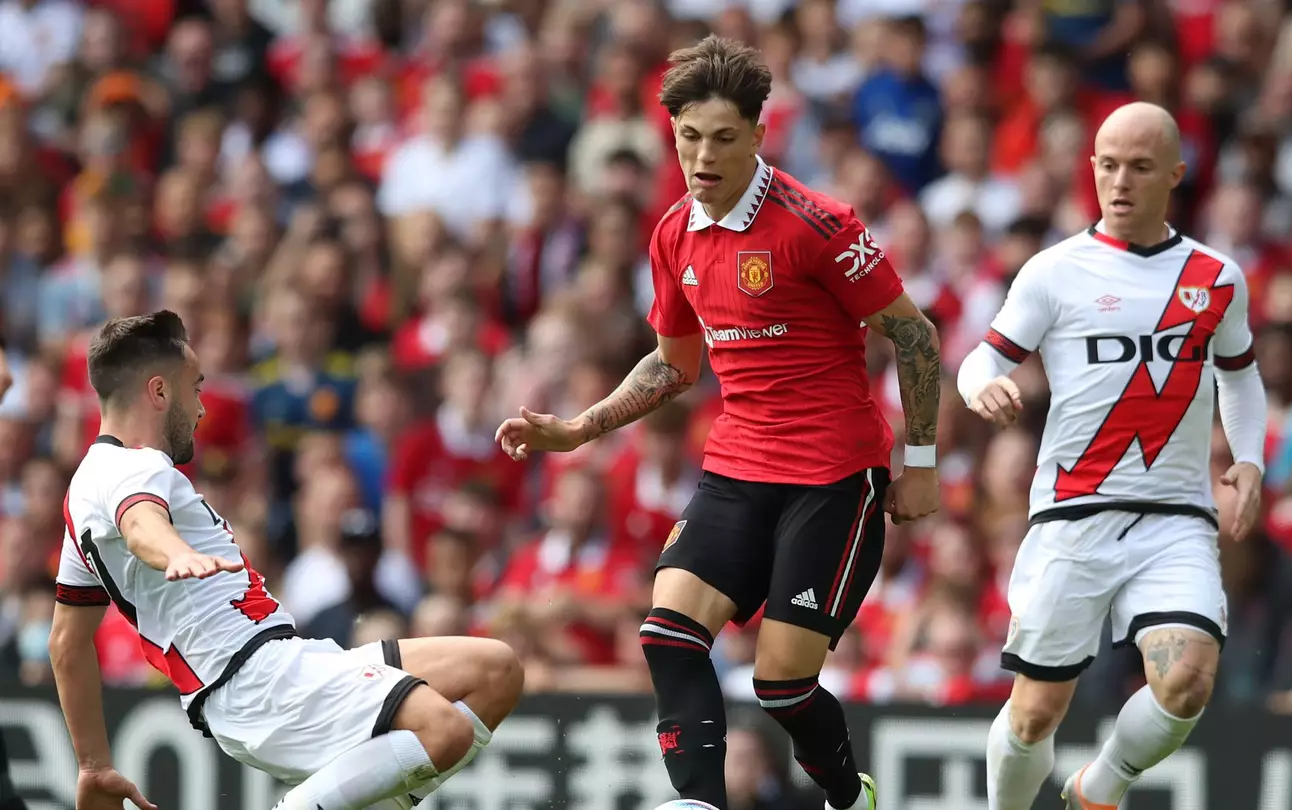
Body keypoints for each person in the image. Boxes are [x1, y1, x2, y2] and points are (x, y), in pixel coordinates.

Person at [496, 35, 942, 810]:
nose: (703, 157)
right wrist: (578, 428)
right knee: (666, 636)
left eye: (723, 139)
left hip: (834, 478)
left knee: (782, 687)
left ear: (759, 136)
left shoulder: (818, 226)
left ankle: (850, 797)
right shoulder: (673, 233)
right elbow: (674, 363)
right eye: (688, 138)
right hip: (737, 466)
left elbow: (915, 334)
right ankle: (700, 805)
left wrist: (924, 462)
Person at [48, 311, 524, 810]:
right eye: (197, 388)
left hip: (284, 665)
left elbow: (66, 644)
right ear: (159, 392)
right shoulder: (133, 468)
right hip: (254, 680)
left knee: (496, 671)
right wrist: (176, 552)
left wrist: (93, 764)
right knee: (441, 728)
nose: (202, 408)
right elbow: (142, 522)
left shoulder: (83, 494)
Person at [956, 102, 1267, 810]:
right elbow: (980, 359)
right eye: (1107, 165)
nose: (1120, 181)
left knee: (1186, 680)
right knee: (1036, 712)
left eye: (1139, 167)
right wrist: (985, 387)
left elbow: (1240, 372)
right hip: (1073, 514)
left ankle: (1101, 788)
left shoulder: (1217, 277)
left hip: (1175, 515)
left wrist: (1249, 459)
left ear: (1175, 176)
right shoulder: (1055, 272)